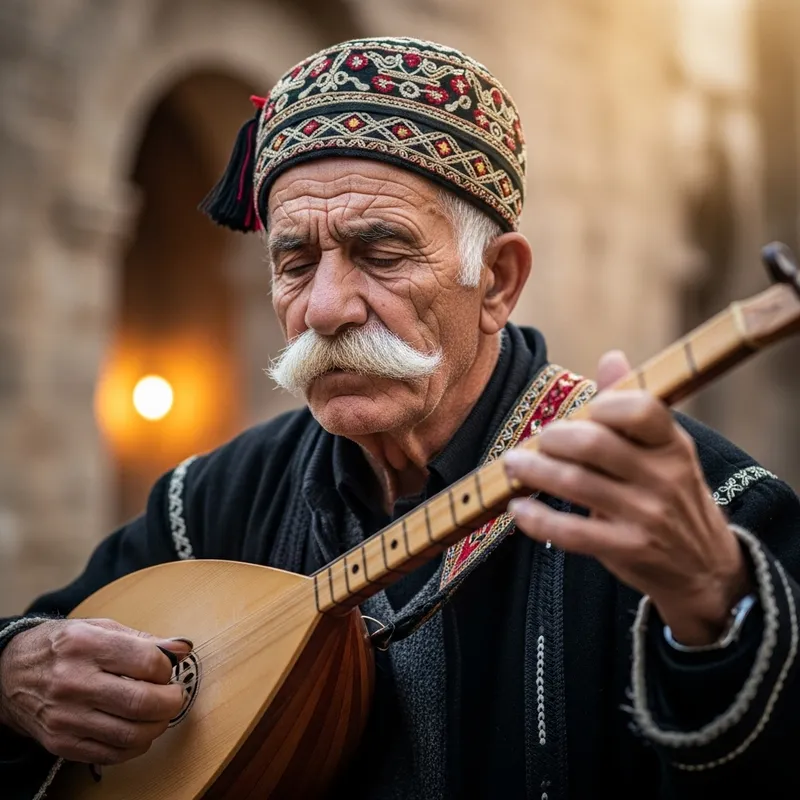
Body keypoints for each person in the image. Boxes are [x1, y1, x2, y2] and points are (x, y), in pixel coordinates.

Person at [1, 36, 799, 800]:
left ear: (496, 282)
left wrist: (714, 608)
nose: (323, 308)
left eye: (381, 255)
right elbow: (47, 641)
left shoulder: (705, 504)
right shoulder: (213, 500)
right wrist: (16, 671)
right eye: (295, 262)